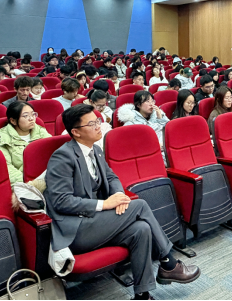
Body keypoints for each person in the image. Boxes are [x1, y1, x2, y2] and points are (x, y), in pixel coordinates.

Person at [45, 105, 200, 301]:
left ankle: (142, 296)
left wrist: (118, 196)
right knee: (140, 205)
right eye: (91, 124)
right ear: (75, 132)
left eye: (98, 121)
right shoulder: (63, 156)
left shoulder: (95, 150)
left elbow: (111, 178)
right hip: (76, 231)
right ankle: (168, 263)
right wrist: (105, 204)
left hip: (98, 223)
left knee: (141, 229)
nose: (98, 126)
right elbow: (61, 201)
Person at [0, 102, 51, 185]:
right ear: (13, 121)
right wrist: (30, 184)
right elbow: (8, 170)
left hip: (49, 178)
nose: (31, 118)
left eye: (33, 114)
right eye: (25, 116)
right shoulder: (3, 141)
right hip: (24, 184)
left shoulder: (42, 133)